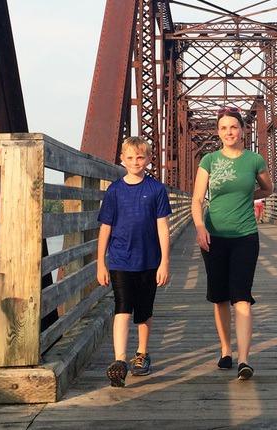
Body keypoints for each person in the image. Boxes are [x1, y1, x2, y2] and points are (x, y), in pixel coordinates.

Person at [191, 106, 273, 381]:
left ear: (243, 130)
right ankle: (225, 348)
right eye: (224, 128)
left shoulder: (254, 160)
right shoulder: (209, 161)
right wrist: (200, 226)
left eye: (234, 127)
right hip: (214, 236)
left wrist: (248, 196)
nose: (229, 132)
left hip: (245, 236)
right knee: (219, 297)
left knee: (242, 297)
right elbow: (197, 200)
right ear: (218, 132)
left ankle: (243, 359)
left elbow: (268, 188)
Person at [97, 136, 172, 387]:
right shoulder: (114, 191)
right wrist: (101, 262)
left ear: (149, 159)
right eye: (130, 158)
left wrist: (165, 262)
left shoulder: (157, 190)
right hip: (120, 259)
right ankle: (119, 360)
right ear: (122, 160)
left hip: (149, 260)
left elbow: (163, 228)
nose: (135, 162)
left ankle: (141, 353)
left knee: (144, 311)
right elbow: (105, 229)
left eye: (140, 157)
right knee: (122, 308)